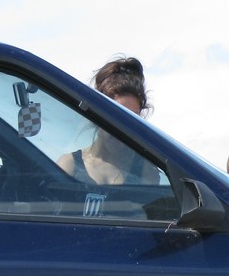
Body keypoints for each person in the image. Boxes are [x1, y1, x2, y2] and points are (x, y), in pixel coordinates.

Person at [58, 57, 158, 186]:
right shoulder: (69, 165)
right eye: (117, 116)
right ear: (97, 113)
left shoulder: (145, 172)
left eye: (132, 120)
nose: (122, 129)